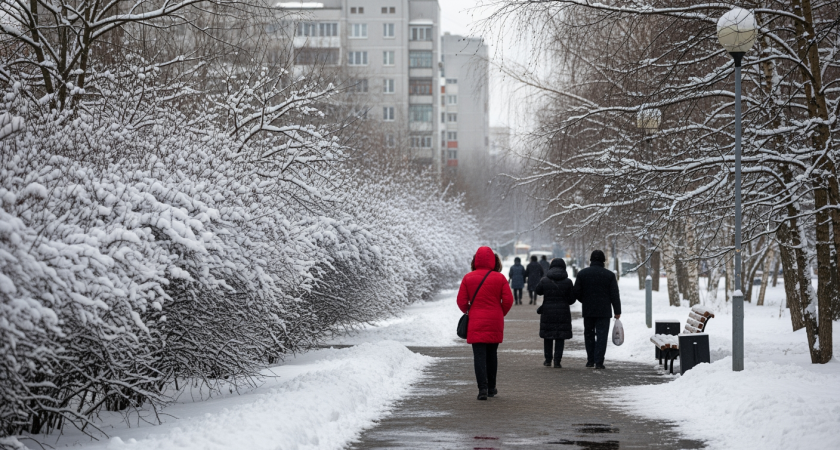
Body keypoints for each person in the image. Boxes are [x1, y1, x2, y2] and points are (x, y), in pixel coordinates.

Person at [457, 247, 514, 400]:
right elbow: (508, 300)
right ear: (494, 261)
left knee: (479, 356)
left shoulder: (468, 278)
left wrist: (470, 310)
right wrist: (500, 312)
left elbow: (461, 301)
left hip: (475, 321)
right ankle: (491, 388)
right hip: (494, 320)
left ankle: (482, 389)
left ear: (475, 260)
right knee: (492, 355)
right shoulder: (500, 278)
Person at [573, 250, 621, 369]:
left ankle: (590, 360)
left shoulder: (582, 274)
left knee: (589, 334)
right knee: (602, 335)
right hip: (604, 311)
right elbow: (614, 294)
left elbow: (576, 292)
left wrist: (584, 300)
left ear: (591, 260)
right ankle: (599, 361)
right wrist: (617, 311)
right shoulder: (609, 275)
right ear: (603, 260)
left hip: (588, 309)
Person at [535, 258, 574, 368]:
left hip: (548, 311)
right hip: (563, 312)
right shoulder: (568, 282)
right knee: (560, 337)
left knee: (548, 336)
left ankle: (548, 360)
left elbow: (538, 291)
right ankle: (557, 361)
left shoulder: (545, 280)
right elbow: (572, 299)